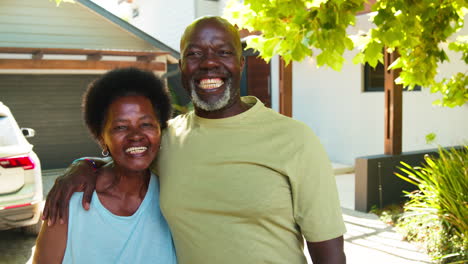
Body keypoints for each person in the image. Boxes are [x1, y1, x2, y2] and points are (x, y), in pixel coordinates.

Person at [43, 16, 347, 264]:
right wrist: (81, 165)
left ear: (241, 61)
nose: (208, 63)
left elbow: (330, 254)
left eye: (223, 52)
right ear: (183, 66)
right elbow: (127, 157)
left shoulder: (295, 139)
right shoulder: (169, 138)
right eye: (195, 54)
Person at [34, 68, 177, 264]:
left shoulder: (171, 198)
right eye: (120, 127)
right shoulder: (70, 200)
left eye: (146, 124)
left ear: (160, 131)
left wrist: (85, 163)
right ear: (102, 138)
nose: (136, 135)